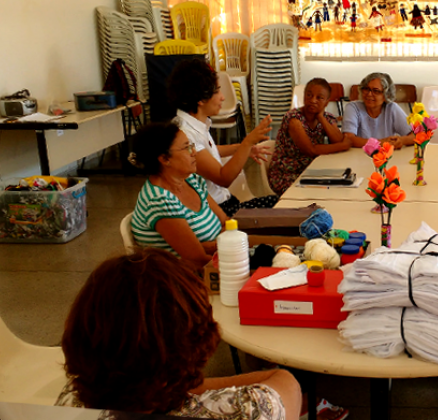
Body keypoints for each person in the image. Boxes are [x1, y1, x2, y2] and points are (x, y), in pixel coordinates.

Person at [56, 248, 301, 420]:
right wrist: (174, 384)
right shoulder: (249, 410)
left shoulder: (70, 402)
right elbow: (284, 381)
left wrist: (159, 385)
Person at [167, 58, 278, 218]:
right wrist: (247, 143)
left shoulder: (194, 123)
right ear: (201, 98)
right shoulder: (184, 133)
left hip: (227, 202)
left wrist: (242, 149)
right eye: (217, 91)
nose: (223, 97)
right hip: (217, 212)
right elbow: (223, 178)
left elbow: (207, 153)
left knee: (278, 204)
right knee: (277, 206)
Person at [129, 122, 226, 269]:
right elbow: (197, 260)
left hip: (215, 261)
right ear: (164, 159)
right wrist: (220, 246)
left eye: (191, 145)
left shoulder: (191, 180)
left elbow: (226, 222)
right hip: (185, 279)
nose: (194, 152)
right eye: (186, 148)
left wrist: (217, 245)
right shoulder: (159, 201)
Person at [268, 78, 351, 196]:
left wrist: (321, 117)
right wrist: (342, 146)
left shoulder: (327, 118)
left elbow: (337, 139)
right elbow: (311, 150)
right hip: (287, 173)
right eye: (309, 95)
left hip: (311, 169)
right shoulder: (293, 118)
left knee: (341, 186)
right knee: (325, 192)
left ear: (327, 102)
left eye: (319, 98)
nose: (312, 100)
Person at [342, 72, 415, 149]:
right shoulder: (353, 107)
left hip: (386, 156)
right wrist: (380, 143)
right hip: (358, 155)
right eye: (366, 89)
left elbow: (416, 135)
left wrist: (401, 140)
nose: (369, 94)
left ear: (387, 95)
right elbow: (348, 139)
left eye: (376, 91)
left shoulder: (392, 108)